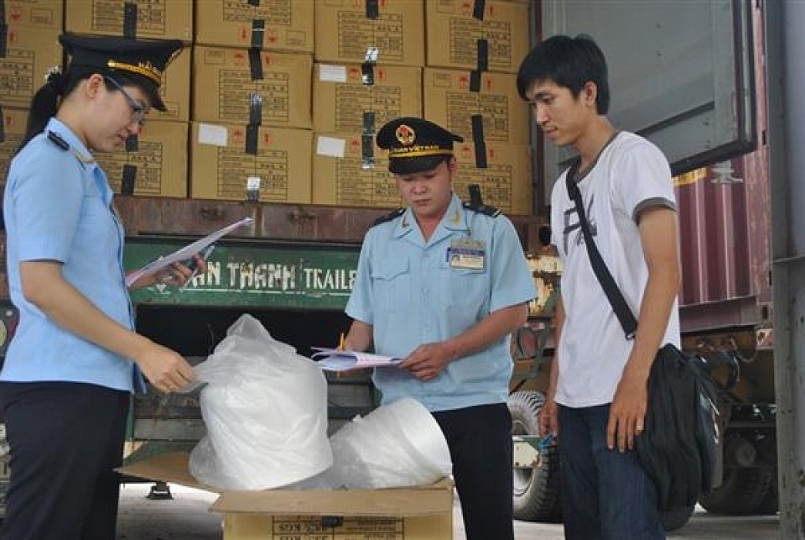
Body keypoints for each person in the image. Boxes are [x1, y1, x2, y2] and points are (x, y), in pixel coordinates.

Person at [0, 33, 204, 540]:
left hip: (89, 387)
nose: (135, 129)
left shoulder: (78, 167)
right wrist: (143, 349)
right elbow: (41, 287)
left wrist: (145, 276)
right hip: (59, 389)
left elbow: (72, 278)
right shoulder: (50, 162)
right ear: (95, 86)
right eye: (135, 110)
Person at [516, 35, 682, 539]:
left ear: (588, 93)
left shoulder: (635, 159)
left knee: (628, 530)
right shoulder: (563, 187)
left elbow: (666, 272)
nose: (541, 117)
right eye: (534, 105)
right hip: (576, 396)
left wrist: (635, 380)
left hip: (627, 390)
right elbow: (573, 292)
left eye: (548, 100)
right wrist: (554, 388)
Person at [342, 117, 536, 540]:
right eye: (407, 179)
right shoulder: (380, 239)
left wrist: (448, 351)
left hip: (474, 407)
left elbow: (513, 312)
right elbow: (363, 321)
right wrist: (346, 355)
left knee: (489, 530)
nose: (418, 189)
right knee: (403, 531)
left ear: (452, 168)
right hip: (402, 412)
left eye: (428, 176)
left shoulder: (490, 229)